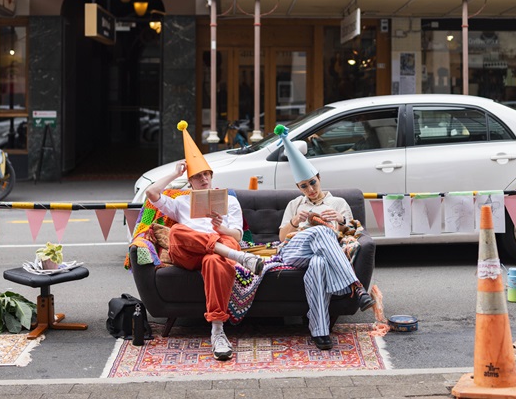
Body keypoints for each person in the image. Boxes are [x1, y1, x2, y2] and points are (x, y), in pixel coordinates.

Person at [144, 120, 263, 362]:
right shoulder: (180, 202)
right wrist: (174, 174)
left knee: (214, 261)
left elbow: (238, 236)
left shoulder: (230, 200)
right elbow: (151, 194)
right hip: (189, 250)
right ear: (190, 181)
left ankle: (218, 332)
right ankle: (240, 258)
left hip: (222, 245)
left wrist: (222, 228)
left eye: (206, 174)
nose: (204, 179)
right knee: (177, 231)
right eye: (197, 176)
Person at [273, 125, 374, 351]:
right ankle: (355, 286)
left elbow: (353, 235)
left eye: (312, 183)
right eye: (304, 186)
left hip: (325, 255)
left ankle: (320, 331)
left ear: (319, 178)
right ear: (298, 188)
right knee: (318, 230)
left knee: (319, 263)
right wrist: (295, 222)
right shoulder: (295, 205)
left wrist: (340, 219)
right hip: (294, 251)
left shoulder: (338, 203)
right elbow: (281, 237)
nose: (310, 189)